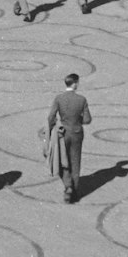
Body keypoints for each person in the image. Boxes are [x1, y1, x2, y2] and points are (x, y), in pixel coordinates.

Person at [47, 73, 91, 204]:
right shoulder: (81, 99)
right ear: (75, 83)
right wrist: (77, 121)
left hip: (63, 134)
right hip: (77, 133)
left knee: (61, 160)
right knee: (75, 162)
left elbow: (51, 117)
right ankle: (75, 192)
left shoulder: (59, 98)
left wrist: (51, 130)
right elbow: (87, 119)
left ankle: (68, 185)